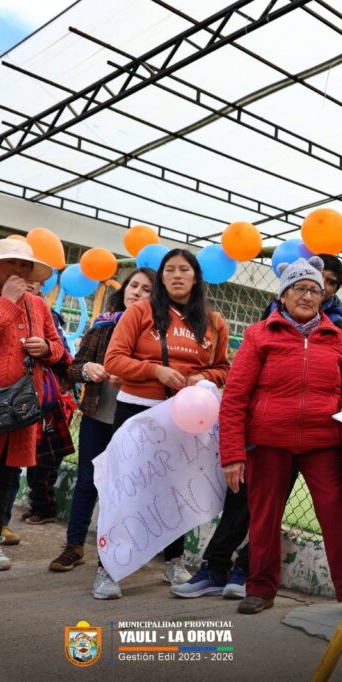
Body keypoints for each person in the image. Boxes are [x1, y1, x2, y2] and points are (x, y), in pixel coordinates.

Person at [219, 257, 342, 616]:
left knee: (336, 513)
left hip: (323, 443)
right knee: (264, 517)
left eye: (314, 290)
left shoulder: (337, 336)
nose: (307, 295)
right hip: (269, 442)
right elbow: (235, 396)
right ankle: (260, 589)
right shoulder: (258, 335)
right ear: (283, 295)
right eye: (299, 288)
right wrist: (232, 454)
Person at [103, 249, 230, 598]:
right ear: (161, 277)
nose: (176, 275)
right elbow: (114, 359)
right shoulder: (140, 312)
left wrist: (200, 377)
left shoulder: (214, 321)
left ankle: (174, 562)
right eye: (169, 270)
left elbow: (223, 368)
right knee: (126, 490)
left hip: (184, 416)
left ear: (195, 277)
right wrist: (154, 370)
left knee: (175, 491)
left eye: (184, 270)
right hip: (137, 412)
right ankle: (108, 568)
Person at [48, 267, 155, 573]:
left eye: (146, 289)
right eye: (133, 286)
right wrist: (88, 370)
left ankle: (114, 554)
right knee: (87, 482)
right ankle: (74, 546)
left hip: (136, 420)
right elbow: (74, 367)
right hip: (98, 413)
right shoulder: (103, 325)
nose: (137, 292)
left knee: (125, 488)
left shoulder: (156, 333)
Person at [0, 239, 66, 570]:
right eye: (10, 264)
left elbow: (60, 350)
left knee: (6, 475)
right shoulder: (2, 299)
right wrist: (7, 302)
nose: (18, 271)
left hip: (21, 407)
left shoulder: (38, 305)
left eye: (24, 266)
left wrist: (45, 348)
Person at [13, 279, 75, 526]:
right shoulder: (0, 305)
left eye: (32, 279)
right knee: (15, 462)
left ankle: (43, 506)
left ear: (41, 286)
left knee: (43, 460)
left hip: (44, 401)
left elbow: (65, 356)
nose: (25, 282)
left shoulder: (47, 315)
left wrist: (48, 348)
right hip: (7, 398)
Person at [260, 253, 342, 328]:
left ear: (335, 291)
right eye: (319, 275)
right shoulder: (274, 307)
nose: (322, 284)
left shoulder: (335, 323)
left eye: (331, 282)